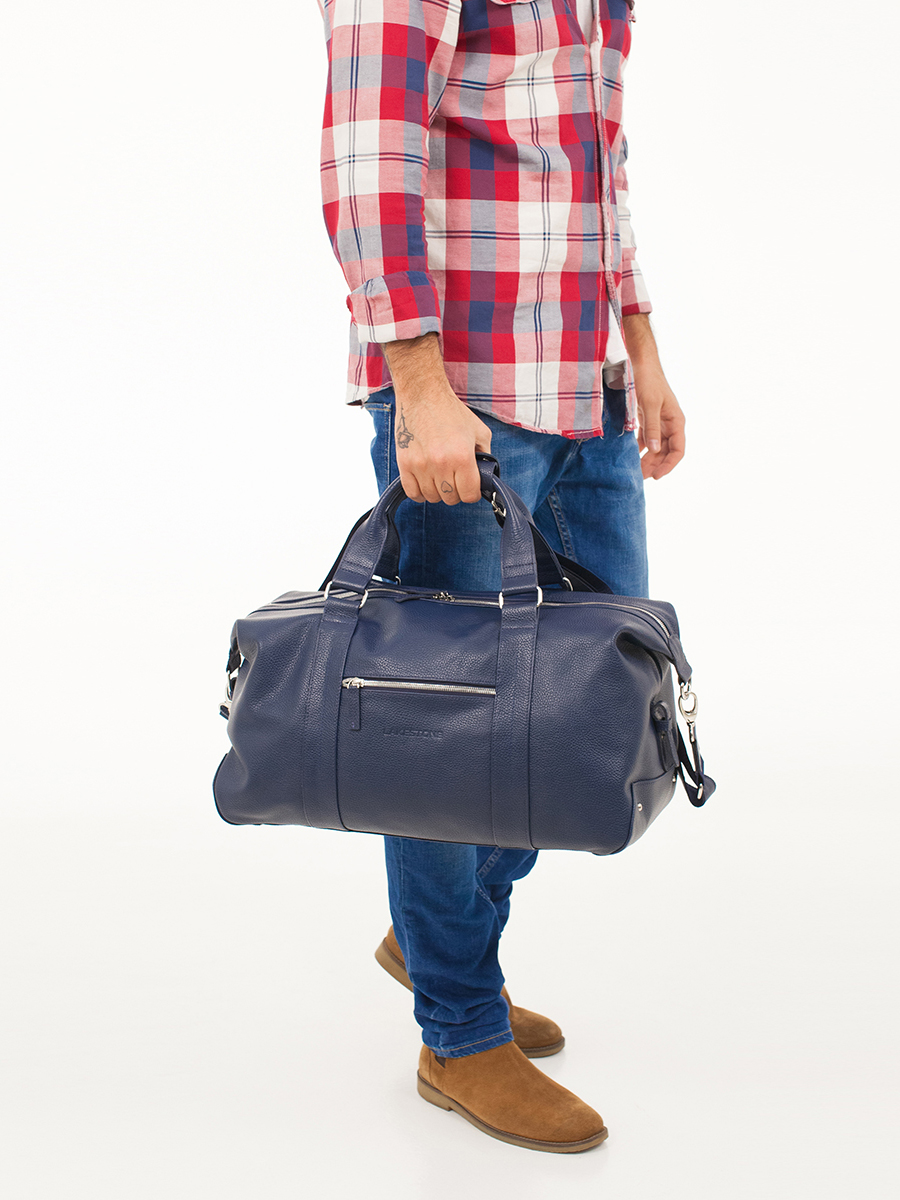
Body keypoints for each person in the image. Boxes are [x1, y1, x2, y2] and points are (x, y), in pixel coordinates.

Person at [316, 0, 685, 1153]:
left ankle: (439, 935)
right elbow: (370, 156)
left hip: (587, 387)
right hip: (466, 397)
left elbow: (597, 162)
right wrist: (418, 388)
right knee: (446, 732)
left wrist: (642, 346)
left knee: (583, 708)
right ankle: (459, 1027)